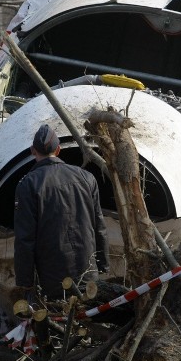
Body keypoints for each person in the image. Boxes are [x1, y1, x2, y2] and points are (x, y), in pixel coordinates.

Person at [13, 124, 110, 301]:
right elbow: (99, 224)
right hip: (87, 269)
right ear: (58, 150)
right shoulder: (86, 177)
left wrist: (25, 280)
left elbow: (24, 239)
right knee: (90, 315)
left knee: (57, 321)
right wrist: (103, 263)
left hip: (53, 277)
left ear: (33, 150)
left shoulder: (28, 185)